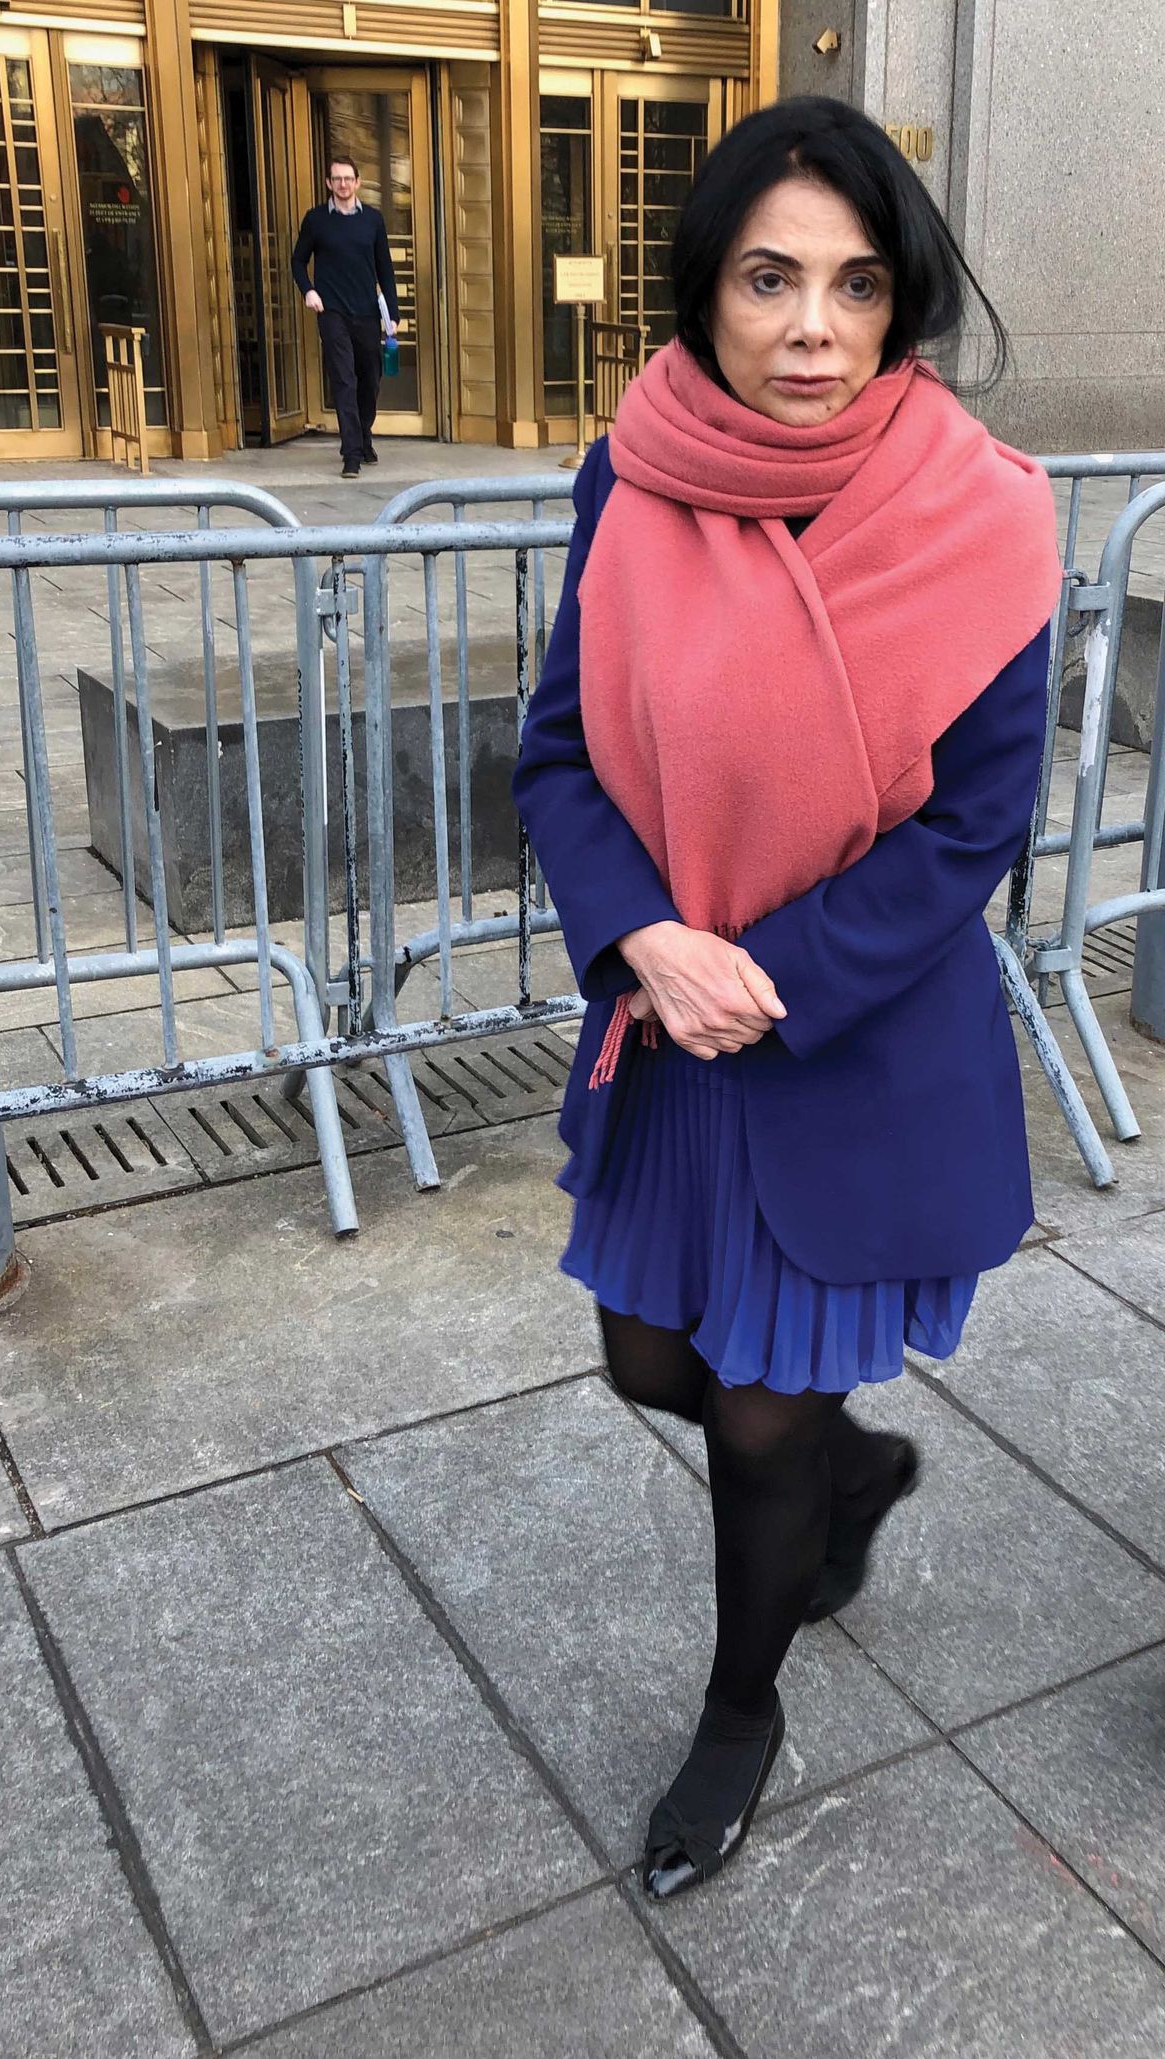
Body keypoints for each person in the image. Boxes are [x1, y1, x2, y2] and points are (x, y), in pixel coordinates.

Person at [513, 95, 1060, 1904]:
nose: (814, 328)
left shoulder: (987, 515)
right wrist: (645, 939)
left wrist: (770, 976)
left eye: (856, 282)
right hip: (672, 1033)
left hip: (849, 1038)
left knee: (757, 1418)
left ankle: (738, 1715)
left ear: (902, 301)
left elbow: (976, 821)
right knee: (647, 1360)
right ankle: (860, 1463)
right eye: (769, 279)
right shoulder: (632, 476)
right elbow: (557, 753)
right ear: (705, 292)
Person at [291, 157, 398, 477]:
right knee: (344, 379)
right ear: (328, 183)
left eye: (348, 178)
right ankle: (351, 453)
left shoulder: (373, 220)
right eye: (337, 179)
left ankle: (364, 436)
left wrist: (392, 314)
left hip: (366, 311)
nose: (343, 184)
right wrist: (308, 290)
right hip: (332, 312)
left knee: (370, 379)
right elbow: (298, 261)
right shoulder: (316, 220)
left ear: (358, 182)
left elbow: (385, 268)